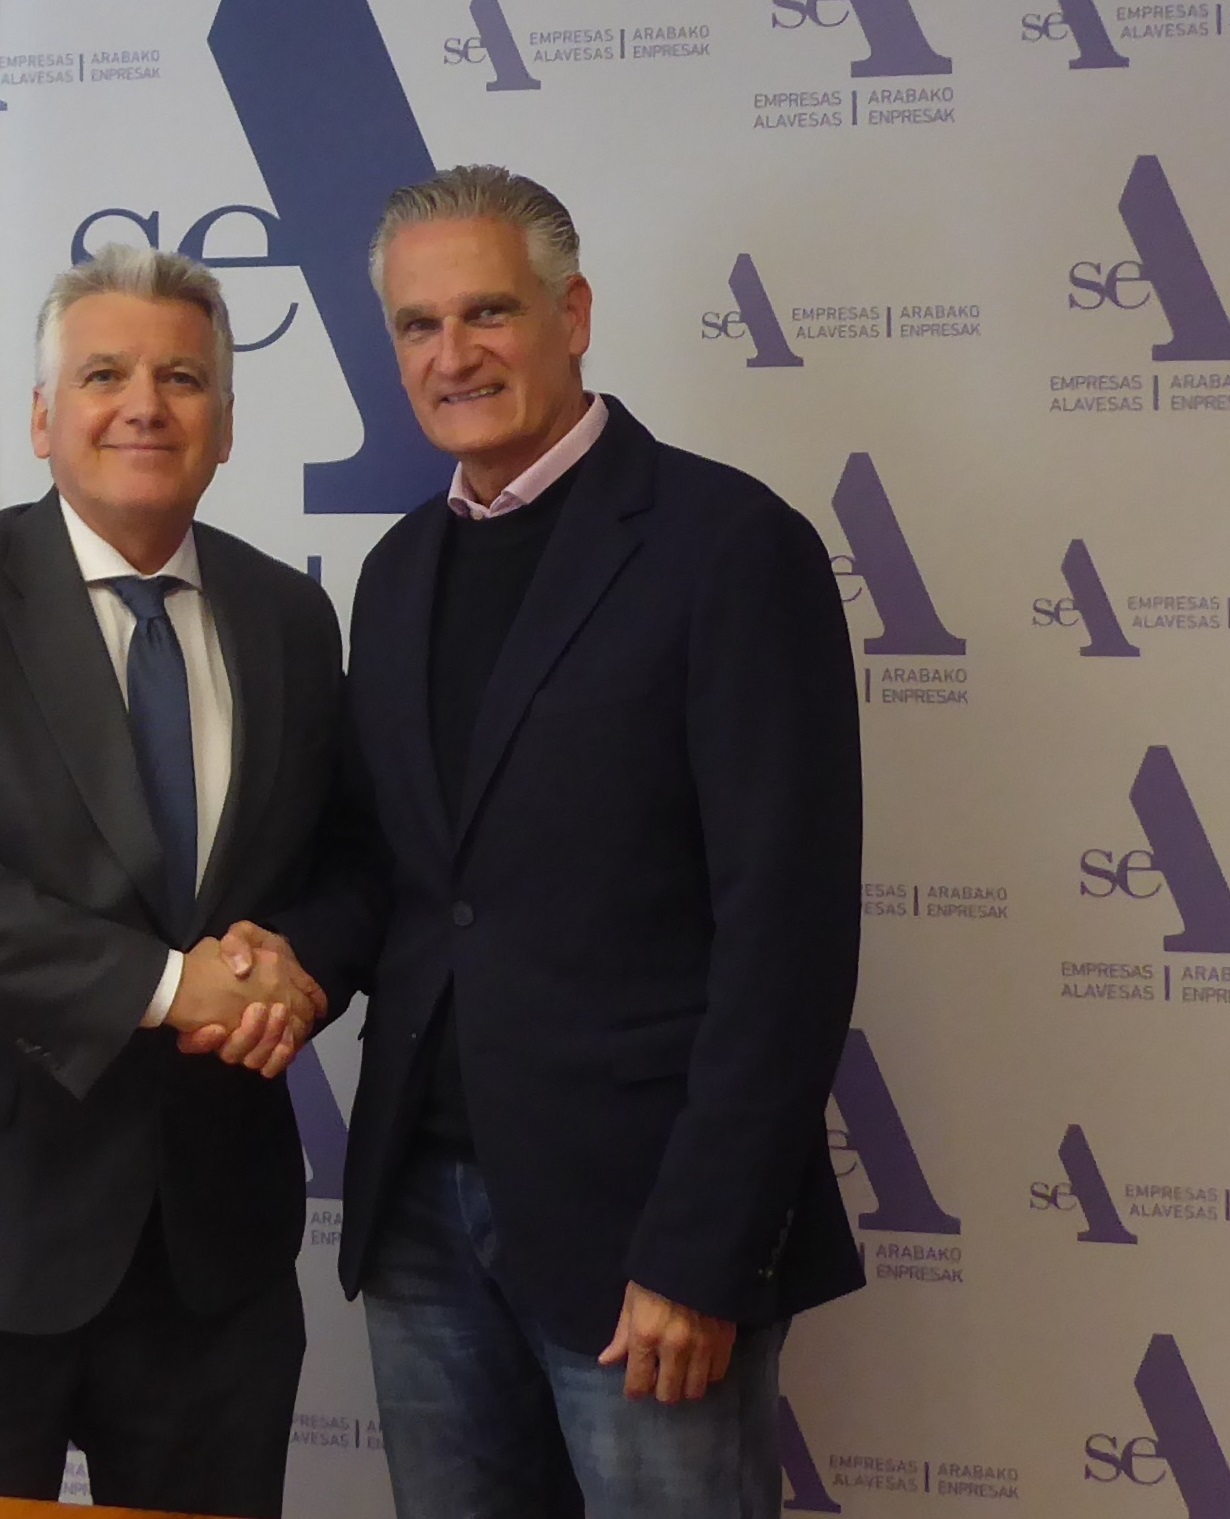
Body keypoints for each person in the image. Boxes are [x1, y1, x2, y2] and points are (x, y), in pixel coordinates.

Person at [260, 165, 867, 1519]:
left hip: (644, 1229)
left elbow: (786, 933)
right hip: (420, 1217)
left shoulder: (730, 545)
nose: (453, 354)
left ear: (573, 314)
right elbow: (388, 870)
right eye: (418, 325)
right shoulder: (397, 570)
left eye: (488, 311)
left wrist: (703, 1248)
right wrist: (288, 964)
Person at [0, 244, 342, 1519]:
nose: (144, 405)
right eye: (104, 375)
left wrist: (293, 971)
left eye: (183, 378)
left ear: (226, 427)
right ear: (42, 418)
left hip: (211, 1256)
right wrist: (172, 985)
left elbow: (349, 865)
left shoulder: (290, 617)